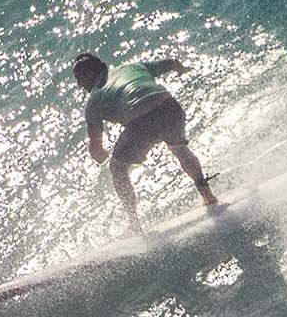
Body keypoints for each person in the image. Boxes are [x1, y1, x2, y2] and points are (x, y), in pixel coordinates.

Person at [72, 52, 221, 228]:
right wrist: (181, 69)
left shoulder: (94, 100)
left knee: (117, 169)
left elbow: (96, 148)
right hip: (170, 107)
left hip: (142, 121)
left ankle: (134, 223)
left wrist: (99, 154)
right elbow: (171, 63)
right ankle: (207, 195)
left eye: (80, 78)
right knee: (179, 149)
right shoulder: (132, 67)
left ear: (90, 74)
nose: (79, 84)